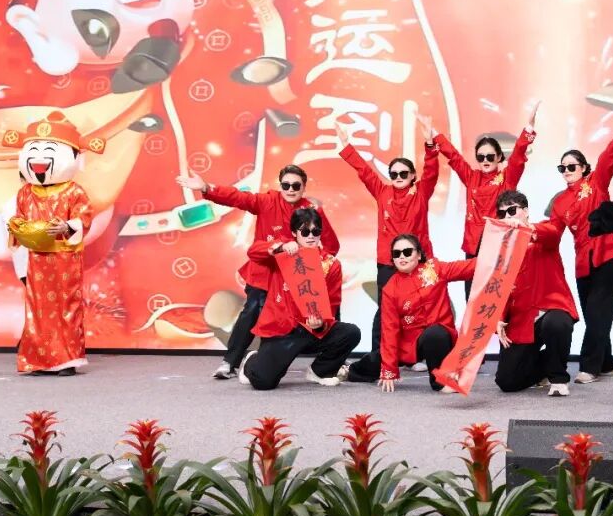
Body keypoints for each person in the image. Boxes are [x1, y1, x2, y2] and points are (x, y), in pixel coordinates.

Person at [176, 165, 340, 379]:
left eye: (296, 186)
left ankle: (332, 362)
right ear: (280, 186)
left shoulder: (311, 210)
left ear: (303, 187)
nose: (291, 189)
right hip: (265, 270)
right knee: (252, 310)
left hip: (297, 276)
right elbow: (238, 198)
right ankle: (230, 362)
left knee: (328, 306)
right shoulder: (267, 201)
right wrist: (207, 188)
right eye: (286, 185)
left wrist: (319, 268)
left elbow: (330, 245)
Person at [4, 111, 107, 375]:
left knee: (65, 307)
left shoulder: (74, 192)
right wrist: (16, 227)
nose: (38, 159)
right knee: (38, 309)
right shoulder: (26, 192)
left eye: (48, 151)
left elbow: (83, 219)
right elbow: (19, 217)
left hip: (64, 259)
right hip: (37, 259)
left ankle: (67, 360)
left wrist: (66, 227)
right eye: (34, 151)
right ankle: (40, 360)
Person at [336, 115, 440, 365]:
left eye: (404, 173)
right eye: (394, 173)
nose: (398, 176)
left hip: (418, 261)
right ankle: (379, 357)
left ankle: (419, 355)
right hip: (388, 262)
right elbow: (364, 171)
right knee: (385, 309)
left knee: (422, 308)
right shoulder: (382, 192)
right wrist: (346, 145)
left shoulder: (421, 192)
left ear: (413, 175)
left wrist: (429, 142)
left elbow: (432, 170)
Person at [236, 208, 359, 390]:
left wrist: (321, 323)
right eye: (305, 231)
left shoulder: (331, 264)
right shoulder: (282, 253)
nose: (311, 236)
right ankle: (252, 361)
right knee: (263, 382)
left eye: (316, 231)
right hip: (282, 329)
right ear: (294, 233)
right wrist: (280, 246)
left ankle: (320, 371)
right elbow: (253, 252)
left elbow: (332, 303)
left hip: (311, 329)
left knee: (351, 333)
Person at [343, 234, 476, 393]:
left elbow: (470, 267)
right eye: (396, 253)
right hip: (407, 344)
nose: (402, 257)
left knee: (436, 333)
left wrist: (498, 257)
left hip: (439, 338)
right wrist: (389, 371)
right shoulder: (391, 288)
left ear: (418, 254)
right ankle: (349, 371)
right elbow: (390, 331)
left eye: (407, 252)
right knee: (376, 360)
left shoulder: (435, 269)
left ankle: (442, 382)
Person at [434, 102, 540, 299]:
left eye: (490, 156)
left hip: (499, 248)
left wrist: (529, 127)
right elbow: (454, 157)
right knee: (472, 300)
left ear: (499, 157)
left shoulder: (507, 179)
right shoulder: (471, 177)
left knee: (496, 302)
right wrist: (434, 135)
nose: (485, 160)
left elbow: (518, 155)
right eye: (481, 156)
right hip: (473, 249)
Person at [546, 138, 613, 384]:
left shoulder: (596, 183)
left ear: (583, 168)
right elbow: (552, 230)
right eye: (562, 168)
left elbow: (607, 159)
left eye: (572, 166)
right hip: (583, 261)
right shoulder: (560, 201)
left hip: (607, 253)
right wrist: (530, 233)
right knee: (593, 316)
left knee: (599, 313)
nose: (567, 171)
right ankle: (607, 363)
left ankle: (590, 367)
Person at [492, 191, 579, 397]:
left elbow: (553, 234)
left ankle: (558, 378)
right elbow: (500, 287)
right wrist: (498, 317)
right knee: (507, 381)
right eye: (502, 214)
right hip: (522, 319)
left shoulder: (542, 231)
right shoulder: (501, 248)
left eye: (512, 211)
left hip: (551, 309)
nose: (507, 217)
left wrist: (525, 228)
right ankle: (545, 366)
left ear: (525, 211)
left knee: (556, 324)